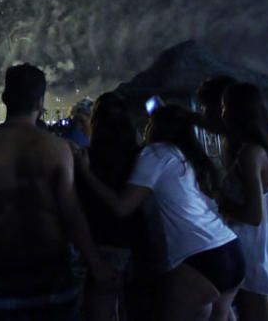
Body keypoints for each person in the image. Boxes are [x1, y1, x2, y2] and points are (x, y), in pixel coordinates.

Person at [0, 63, 114, 320]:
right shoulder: (57, 148)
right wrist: (95, 262)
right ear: (40, 102)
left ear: (6, 98)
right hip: (52, 273)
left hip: (0, 273)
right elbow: (71, 214)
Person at [77, 104, 244, 321]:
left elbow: (122, 207)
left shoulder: (155, 153)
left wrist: (84, 171)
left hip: (198, 257)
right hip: (230, 248)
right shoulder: (185, 156)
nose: (146, 128)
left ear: (158, 127)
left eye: (149, 123)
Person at [219, 83, 268, 321]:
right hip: (265, 237)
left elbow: (253, 215)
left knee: (255, 304)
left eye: (224, 106)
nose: (221, 113)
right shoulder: (266, 145)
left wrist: (222, 209)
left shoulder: (249, 153)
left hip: (253, 242)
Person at [76, 92, 149, 321]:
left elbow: (77, 210)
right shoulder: (143, 156)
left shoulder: (87, 159)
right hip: (140, 244)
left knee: (100, 310)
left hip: (104, 243)